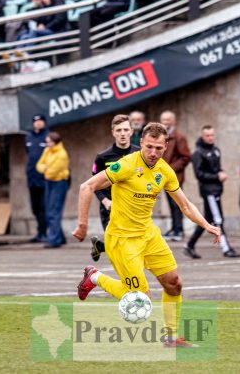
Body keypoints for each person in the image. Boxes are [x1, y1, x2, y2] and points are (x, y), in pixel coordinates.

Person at [73, 122, 221, 348]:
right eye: (149, 147)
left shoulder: (164, 170)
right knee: (141, 299)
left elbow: (185, 204)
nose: (153, 153)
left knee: (174, 283)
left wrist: (206, 224)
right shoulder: (126, 165)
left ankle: (171, 338)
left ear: (165, 146)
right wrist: (82, 225)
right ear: (140, 143)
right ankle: (94, 276)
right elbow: (87, 186)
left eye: (158, 149)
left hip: (148, 235)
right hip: (122, 240)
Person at [183, 125, 240, 259]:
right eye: (207, 135)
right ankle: (226, 248)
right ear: (202, 136)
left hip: (216, 190)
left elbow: (217, 168)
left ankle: (190, 245)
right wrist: (216, 177)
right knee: (218, 219)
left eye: (212, 135)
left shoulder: (216, 150)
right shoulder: (198, 153)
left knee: (207, 219)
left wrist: (221, 173)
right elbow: (199, 174)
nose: (210, 138)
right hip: (209, 191)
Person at [89, 114, 140, 262]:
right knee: (119, 248)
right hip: (110, 207)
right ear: (113, 132)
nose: (122, 134)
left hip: (133, 207)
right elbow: (94, 184)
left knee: (130, 245)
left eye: (125, 130)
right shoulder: (102, 157)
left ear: (131, 131)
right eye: (119, 130)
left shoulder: (139, 154)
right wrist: (105, 201)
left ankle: (100, 246)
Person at [160, 110, 191, 241]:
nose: (166, 122)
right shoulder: (162, 137)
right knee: (171, 204)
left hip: (175, 178)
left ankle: (179, 230)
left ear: (174, 121)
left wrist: (170, 170)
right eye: (164, 120)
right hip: (164, 178)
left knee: (177, 204)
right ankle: (174, 228)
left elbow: (186, 157)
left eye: (168, 120)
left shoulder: (179, 137)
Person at [36, 131, 70, 248]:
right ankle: (60, 237)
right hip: (49, 183)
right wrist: (45, 168)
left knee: (53, 211)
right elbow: (39, 165)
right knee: (50, 210)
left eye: (49, 142)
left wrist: (45, 169)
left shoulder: (62, 154)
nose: (47, 144)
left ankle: (54, 240)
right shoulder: (47, 151)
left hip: (59, 183)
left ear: (55, 142)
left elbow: (52, 173)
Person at [25, 114, 49, 243]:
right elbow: (28, 153)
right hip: (32, 178)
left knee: (44, 206)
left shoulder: (48, 136)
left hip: (44, 178)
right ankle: (39, 232)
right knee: (35, 207)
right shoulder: (28, 137)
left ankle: (44, 232)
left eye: (40, 121)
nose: (38, 123)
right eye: (36, 121)